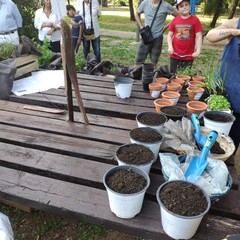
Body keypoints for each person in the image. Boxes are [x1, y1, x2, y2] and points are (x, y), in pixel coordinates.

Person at [206, 18, 240, 149]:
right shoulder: (235, 23)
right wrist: (234, 32)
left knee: (234, 137)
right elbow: (210, 36)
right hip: (224, 91)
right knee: (215, 132)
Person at [134, 0, 179, 70]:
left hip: (158, 38)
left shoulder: (166, 5)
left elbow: (178, 16)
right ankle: (137, 76)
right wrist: (141, 26)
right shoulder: (145, 3)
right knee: (138, 62)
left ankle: (152, 78)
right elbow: (136, 14)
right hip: (146, 37)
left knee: (153, 63)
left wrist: (165, 28)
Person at [167, 0, 202, 74]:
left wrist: (198, 50)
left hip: (188, 55)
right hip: (175, 54)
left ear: (190, 6)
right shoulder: (175, 20)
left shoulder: (195, 20)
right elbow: (169, 35)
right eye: (181, 6)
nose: (184, 7)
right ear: (178, 9)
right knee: (173, 75)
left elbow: (199, 36)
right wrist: (170, 47)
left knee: (185, 75)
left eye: (186, 5)